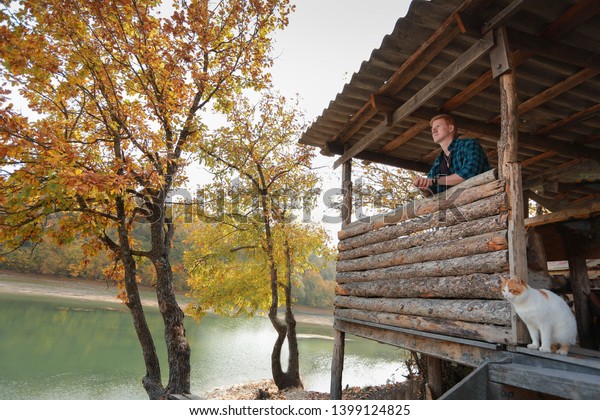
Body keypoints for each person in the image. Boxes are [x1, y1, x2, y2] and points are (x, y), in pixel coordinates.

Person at [413, 114, 491, 197]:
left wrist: (434, 181)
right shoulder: (438, 161)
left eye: (438, 126)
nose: (433, 131)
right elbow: (430, 192)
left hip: (481, 199)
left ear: (451, 128)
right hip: (457, 208)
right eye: (432, 129)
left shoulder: (468, 144)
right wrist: (423, 187)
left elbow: (469, 172)